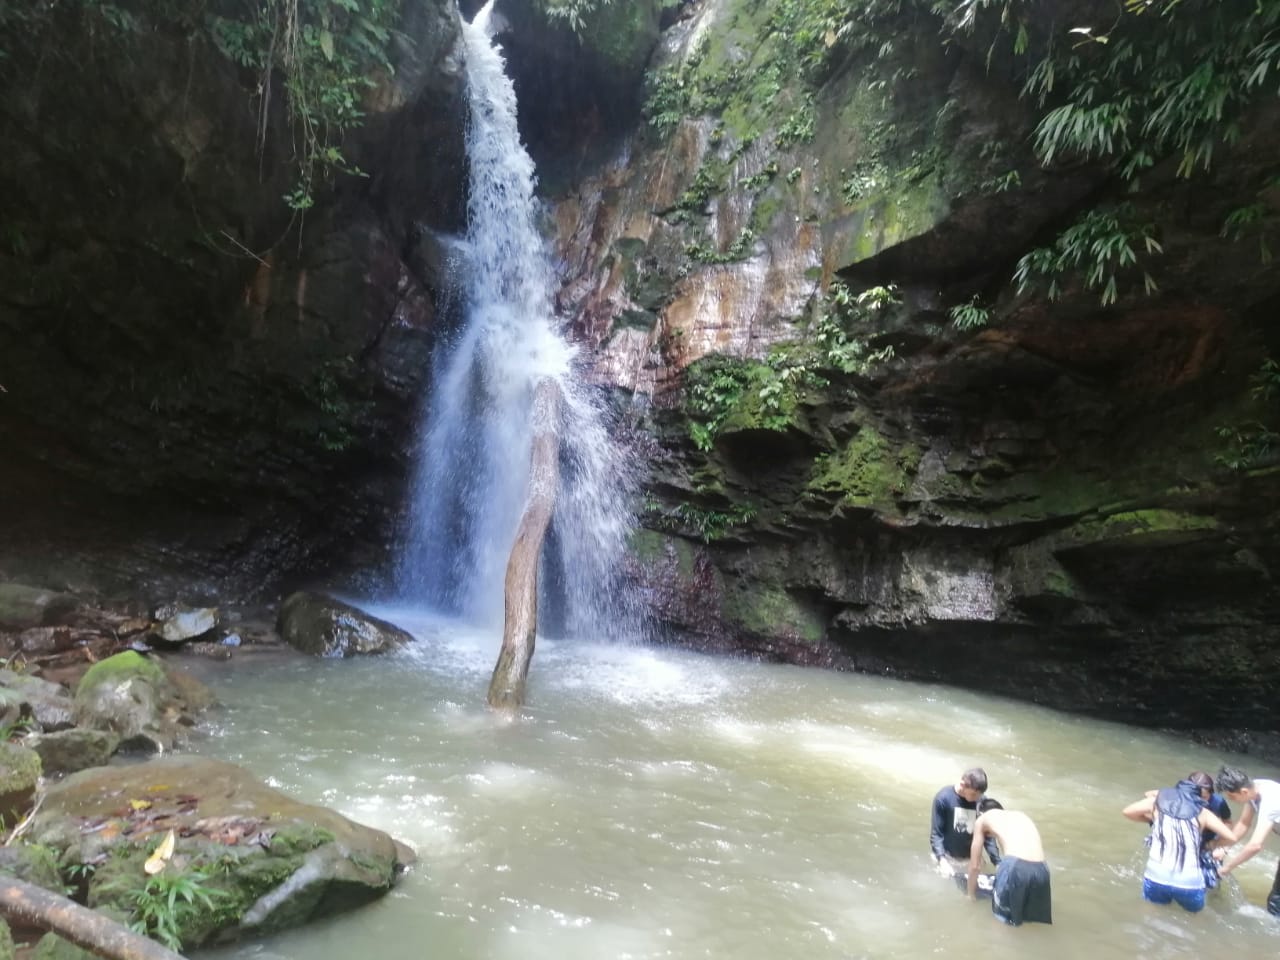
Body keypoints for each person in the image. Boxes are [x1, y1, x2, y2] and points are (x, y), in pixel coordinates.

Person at [1123, 776, 1237, 912]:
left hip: (1156, 875)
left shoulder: (1157, 803)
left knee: (1152, 912)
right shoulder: (1204, 813)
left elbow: (1128, 812)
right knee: (1195, 919)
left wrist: (1154, 819)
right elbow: (1231, 837)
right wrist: (1212, 845)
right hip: (1189, 881)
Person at [966, 798, 1052, 925]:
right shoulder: (1021, 816)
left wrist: (970, 895)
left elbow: (975, 866)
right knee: (1033, 925)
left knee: (1002, 925)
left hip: (1015, 867)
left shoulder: (982, 820)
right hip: (1042, 869)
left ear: (981, 813)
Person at [1215, 766, 1280, 914]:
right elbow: (1244, 823)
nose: (1232, 800)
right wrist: (1224, 848)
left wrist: (1226, 868)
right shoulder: (1254, 787)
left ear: (1243, 792)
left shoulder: (1270, 802)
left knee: (1276, 901)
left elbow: (1255, 846)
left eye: (1232, 797)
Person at [931, 768, 999, 878]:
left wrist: (997, 862)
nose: (977, 799)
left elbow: (988, 837)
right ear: (962, 785)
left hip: (972, 859)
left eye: (979, 795)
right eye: (973, 794)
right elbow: (937, 835)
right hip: (947, 858)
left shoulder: (981, 801)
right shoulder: (943, 799)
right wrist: (942, 860)